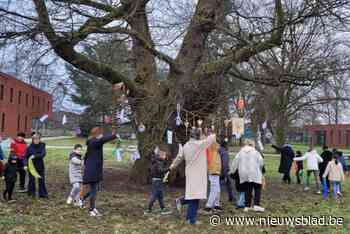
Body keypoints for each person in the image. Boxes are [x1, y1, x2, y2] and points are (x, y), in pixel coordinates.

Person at [169, 128, 216, 225]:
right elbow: (212, 138)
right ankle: (191, 220)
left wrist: (171, 166)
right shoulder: (200, 144)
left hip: (190, 173)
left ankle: (185, 210)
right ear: (198, 136)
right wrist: (209, 131)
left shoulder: (186, 146)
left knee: (193, 195)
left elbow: (179, 158)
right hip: (198, 174)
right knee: (195, 197)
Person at [81, 127, 118, 217]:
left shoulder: (91, 142)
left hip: (92, 169)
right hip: (93, 170)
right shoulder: (95, 142)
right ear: (97, 134)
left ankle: (82, 199)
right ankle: (92, 209)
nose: (102, 134)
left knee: (96, 189)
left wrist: (85, 163)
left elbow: (87, 155)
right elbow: (104, 139)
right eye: (101, 133)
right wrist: (114, 135)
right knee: (94, 190)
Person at [230, 139, 265, 212]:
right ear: (252, 144)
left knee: (247, 189)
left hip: (244, 173)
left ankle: (247, 206)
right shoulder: (256, 152)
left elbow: (235, 162)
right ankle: (256, 205)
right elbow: (261, 162)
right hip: (254, 172)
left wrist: (232, 171)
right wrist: (260, 170)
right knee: (257, 187)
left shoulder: (240, 152)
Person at [145, 149, 171, 215]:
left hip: (157, 181)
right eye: (164, 155)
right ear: (161, 156)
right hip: (157, 182)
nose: (165, 156)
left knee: (160, 196)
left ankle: (163, 209)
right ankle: (148, 209)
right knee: (154, 196)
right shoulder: (158, 163)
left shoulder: (157, 162)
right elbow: (160, 171)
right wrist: (169, 169)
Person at [24, 133, 48, 198]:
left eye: (37, 139)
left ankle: (43, 194)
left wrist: (35, 156)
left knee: (41, 180)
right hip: (31, 166)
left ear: (39, 139)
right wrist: (25, 165)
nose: (36, 140)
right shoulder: (29, 147)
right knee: (32, 180)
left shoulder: (42, 145)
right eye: (34, 139)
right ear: (32, 140)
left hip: (40, 166)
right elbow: (25, 157)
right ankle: (32, 193)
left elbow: (43, 154)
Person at [204, 137, 222, 213]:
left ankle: (216, 204)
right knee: (214, 189)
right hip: (213, 169)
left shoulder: (213, 149)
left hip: (216, 170)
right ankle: (208, 206)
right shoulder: (211, 146)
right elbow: (217, 145)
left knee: (217, 189)